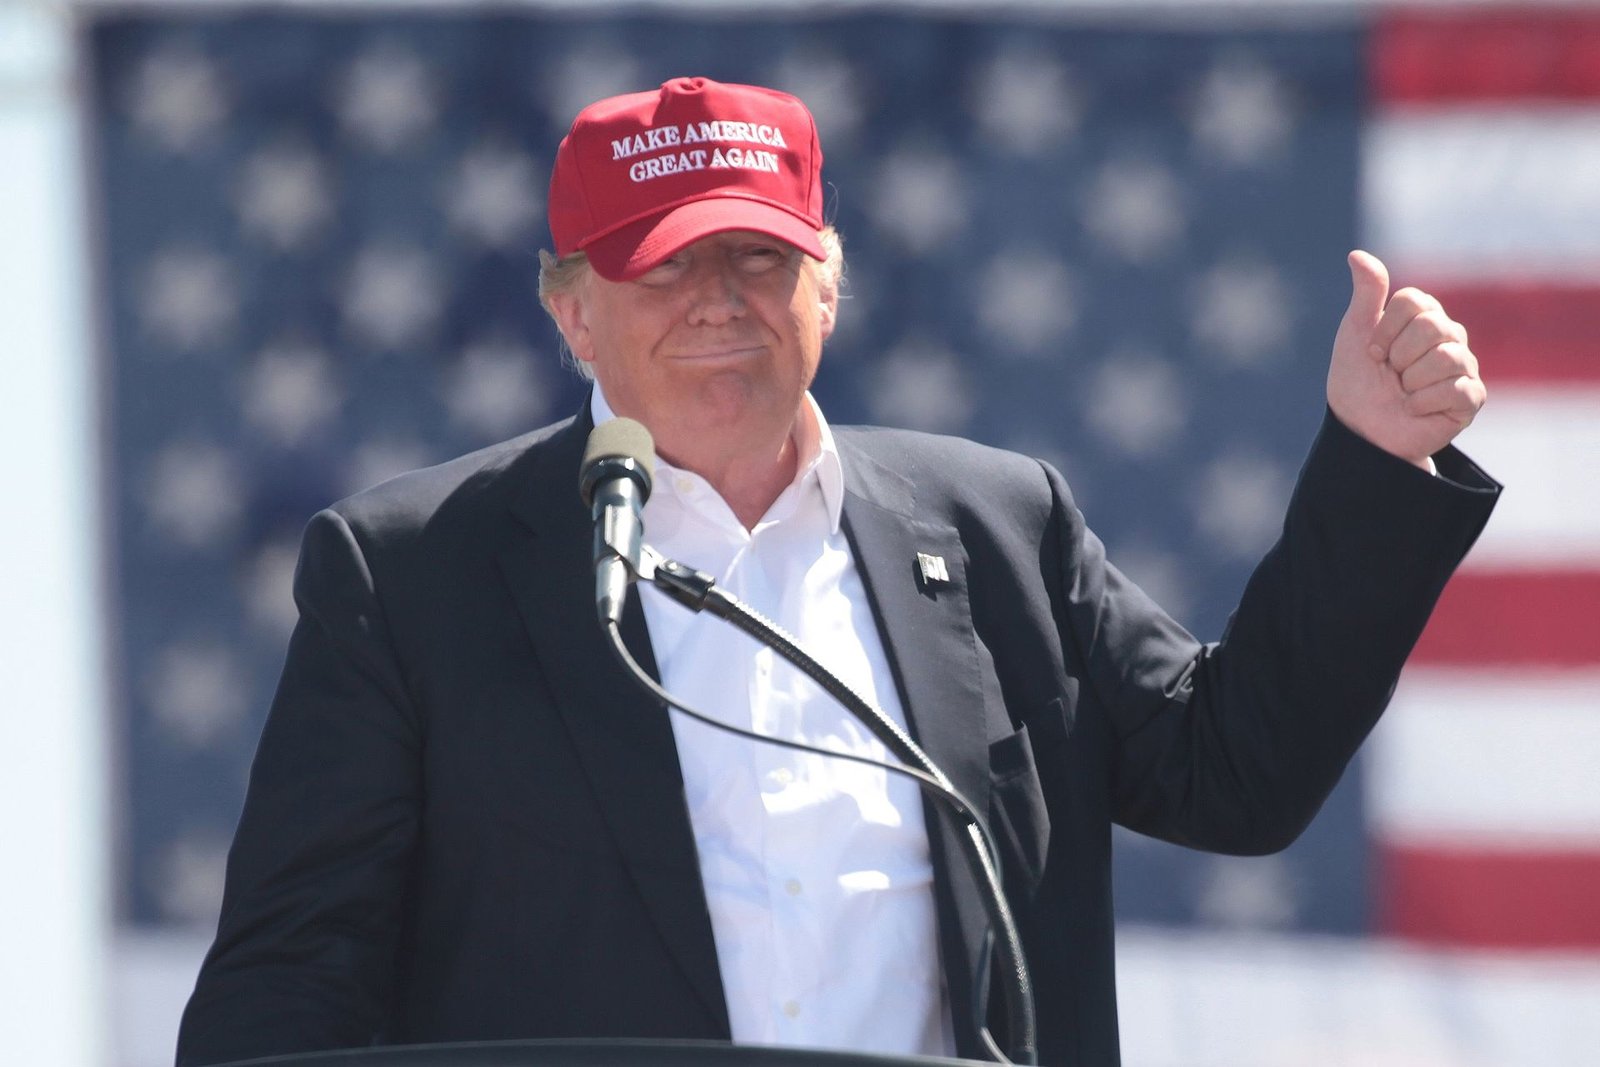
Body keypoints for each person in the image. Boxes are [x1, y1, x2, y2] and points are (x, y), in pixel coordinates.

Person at [176, 77, 1496, 1067]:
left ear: (830, 282)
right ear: (570, 309)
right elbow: (293, 984)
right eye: (660, 264)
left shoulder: (992, 526)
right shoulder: (413, 576)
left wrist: (1375, 462)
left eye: (757, 255)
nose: (717, 299)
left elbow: (1236, 774)